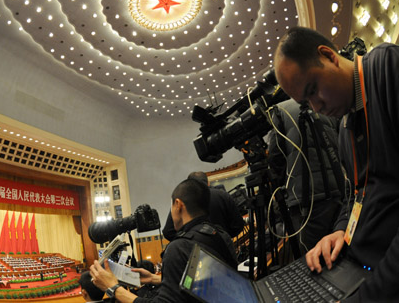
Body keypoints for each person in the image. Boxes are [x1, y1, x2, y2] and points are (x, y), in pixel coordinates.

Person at [274, 26, 399, 301]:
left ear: (328, 55)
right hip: (359, 266)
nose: (316, 106)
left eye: (313, 89)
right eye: (306, 101)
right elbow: (358, 194)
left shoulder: (387, 67)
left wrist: (375, 292)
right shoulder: (344, 126)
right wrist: (340, 229)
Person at [90, 178, 237, 302]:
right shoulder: (221, 235)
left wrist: (114, 288)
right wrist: (156, 279)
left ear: (178, 205)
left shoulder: (179, 247)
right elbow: (206, 284)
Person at [267, 98, 342, 253]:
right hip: (338, 190)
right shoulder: (324, 105)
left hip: (306, 200)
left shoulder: (279, 111)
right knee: (340, 247)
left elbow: (276, 158)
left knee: (313, 256)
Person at [162, 171, 245, 241]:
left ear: (189, 184)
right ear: (208, 183)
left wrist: (188, 241)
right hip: (223, 250)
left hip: (195, 254)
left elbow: (168, 232)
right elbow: (238, 225)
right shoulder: (223, 195)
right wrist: (223, 237)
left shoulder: (182, 200)